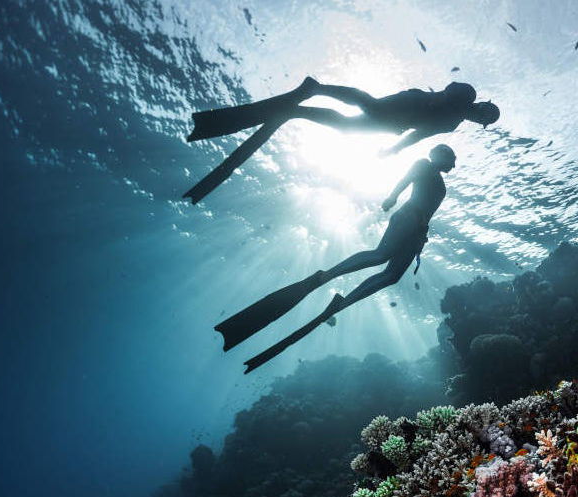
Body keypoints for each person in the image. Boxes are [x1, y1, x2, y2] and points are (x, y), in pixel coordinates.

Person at [217, 144, 458, 373]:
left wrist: (420, 236)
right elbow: (406, 180)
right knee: (380, 255)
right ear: (440, 154)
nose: (454, 165)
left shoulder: (441, 185)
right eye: (452, 159)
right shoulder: (423, 164)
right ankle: (328, 275)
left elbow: (429, 209)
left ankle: (345, 302)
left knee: (392, 276)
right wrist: (393, 196)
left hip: (418, 231)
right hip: (409, 216)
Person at [184, 78, 497, 203]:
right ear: (482, 105)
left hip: (398, 125)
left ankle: (299, 110)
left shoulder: (452, 124)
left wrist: (392, 149)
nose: (478, 117)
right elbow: (444, 93)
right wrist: (441, 101)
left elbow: (420, 135)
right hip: (406, 105)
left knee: (348, 126)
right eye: (483, 113)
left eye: (483, 120)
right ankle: (317, 88)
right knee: (370, 105)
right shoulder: (466, 94)